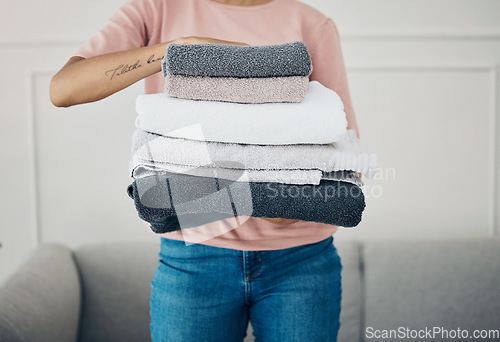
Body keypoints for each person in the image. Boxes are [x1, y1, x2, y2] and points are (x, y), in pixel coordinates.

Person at [50, 0, 360, 340]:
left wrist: (235, 192)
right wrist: (179, 50)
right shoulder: (156, 9)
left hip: (300, 261)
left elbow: (340, 157)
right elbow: (64, 88)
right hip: (193, 261)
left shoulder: (311, 24)